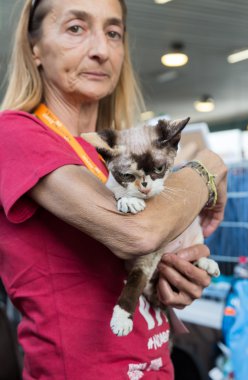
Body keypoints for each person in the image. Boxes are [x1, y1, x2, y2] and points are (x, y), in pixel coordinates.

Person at [0, 0, 227, 379]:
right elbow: (137, 232)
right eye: (76, 28)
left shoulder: (122, 154)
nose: (101, 50)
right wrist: (208, 168)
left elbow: (152, 245)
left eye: (113, 33)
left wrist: (177, 273)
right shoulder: (14, 134)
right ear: (34, 47)